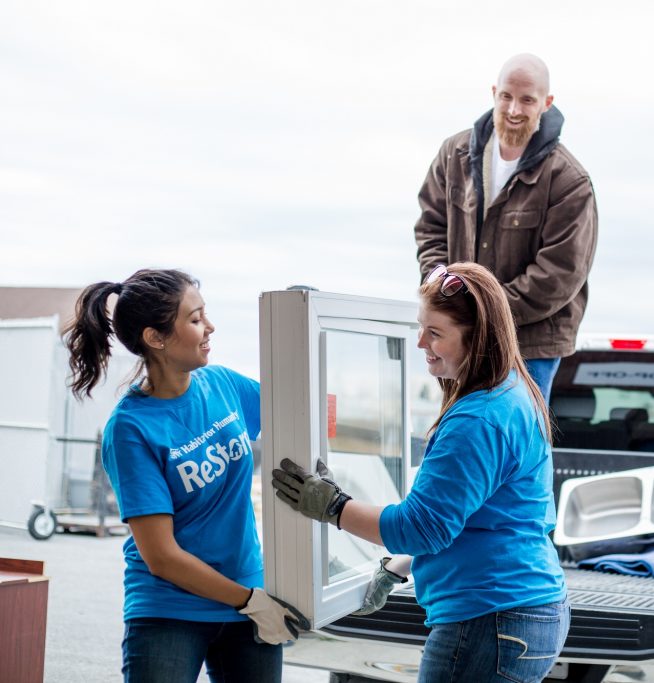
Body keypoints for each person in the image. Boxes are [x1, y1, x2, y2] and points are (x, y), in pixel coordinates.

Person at [272, 262, 570, 683]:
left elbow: (422, 527)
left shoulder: (477, 420)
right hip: (523, 609)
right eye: (420, 327)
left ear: (476, 336)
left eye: (435, 332)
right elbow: (479, 518)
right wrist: (402, 564)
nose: (420, 343)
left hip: (491, 620)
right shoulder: (510, 392)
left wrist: (334, 507)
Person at [64, 268, 307, 683]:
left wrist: (309, 334)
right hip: (171, 610)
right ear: (155, 338)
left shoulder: (224, 385)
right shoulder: (131, 428)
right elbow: (161, 557)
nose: (209, 327)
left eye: (205, 315)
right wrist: (252, 602)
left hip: (247, 598)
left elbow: (299, 409)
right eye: (195, 319)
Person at [414, 53, 598, 402]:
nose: (514, 110)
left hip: (530, 344)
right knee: (462, 434)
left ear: (546, 103)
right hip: (460, 335)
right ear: (494, 93)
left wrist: (484, 310)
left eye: (527, 100)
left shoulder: (569, 180)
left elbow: (561, 273)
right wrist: (443, 290)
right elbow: (430, 228)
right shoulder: (453, 155)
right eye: (507, 97)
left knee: (518, 443)